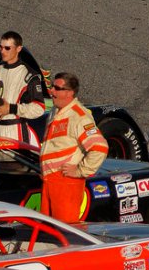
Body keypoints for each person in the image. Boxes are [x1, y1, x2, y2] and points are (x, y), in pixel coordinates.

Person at [40, 71, 108, 224]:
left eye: (57, 88)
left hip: (66, 184)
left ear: (69, 93)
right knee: (47, 234)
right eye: (51, 87)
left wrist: (79, 171)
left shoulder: (80, 116)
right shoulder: (55, 111)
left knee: (66, 235)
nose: (51, 91)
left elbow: (100, 147)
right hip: (49, 182)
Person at [0, 31, 46, 146]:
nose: (2, 51)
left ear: (18, 49)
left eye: (7, 48)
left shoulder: (29, 75)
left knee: (14, 164)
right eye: (1, 47)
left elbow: (39, 108)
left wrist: (11, 109)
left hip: (15, 133)